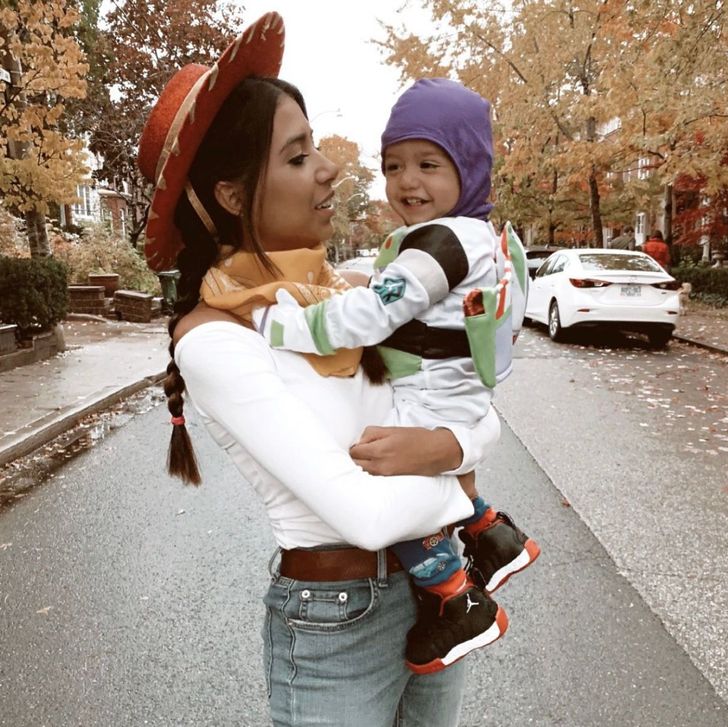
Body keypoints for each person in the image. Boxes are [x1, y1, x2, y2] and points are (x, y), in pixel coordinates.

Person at [137, 12, 505, 726]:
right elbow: (363, 515)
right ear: (233, 195)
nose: (330, 167)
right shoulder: (217, 339)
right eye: (299, 155)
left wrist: (447, 446)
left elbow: (470, 399)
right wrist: (460, 477)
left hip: (430, 594)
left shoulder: (346, 299)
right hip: (335, 621)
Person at [256, 78, 540, 673]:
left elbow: (368, 315)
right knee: (414, 470)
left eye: (429, 163)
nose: (407, 180)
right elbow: (403, 296)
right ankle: (492, 534)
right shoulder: (476, 235)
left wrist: (281, 324)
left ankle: (458, 600)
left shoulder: (441, 242)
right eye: (394, 164)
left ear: (470, 167)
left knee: (382, 478)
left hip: (430, 395)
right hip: (451, 393)